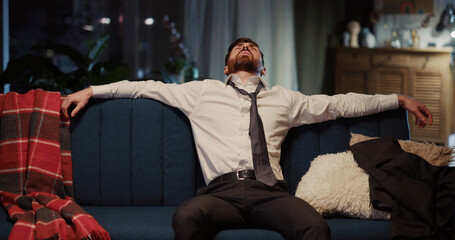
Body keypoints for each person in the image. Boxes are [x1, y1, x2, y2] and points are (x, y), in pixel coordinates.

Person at [61, 38, 432, 240]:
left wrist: (397, 99)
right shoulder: (201, 92)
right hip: (219, 194)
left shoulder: (285, 99)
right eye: (238, 47)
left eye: (251, 47)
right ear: (226, 67)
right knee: (187, 216)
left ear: (262, 65)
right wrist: (93, 89)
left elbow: (338, 105)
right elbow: (144, 88)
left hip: (269, 193)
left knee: (315, 227)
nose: (244, 47)